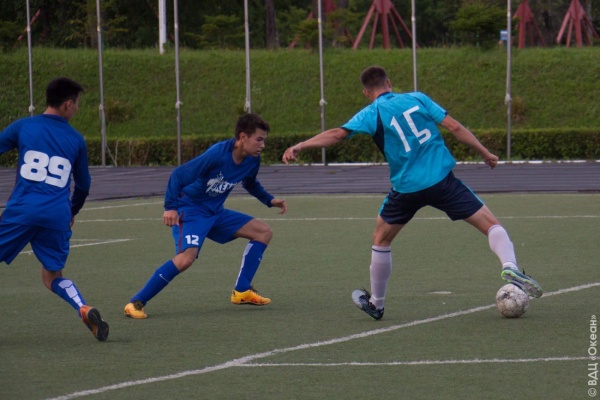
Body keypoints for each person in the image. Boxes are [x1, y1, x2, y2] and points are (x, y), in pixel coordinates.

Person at [282, 66, 542, 320]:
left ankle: (376, 304)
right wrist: (484, 152)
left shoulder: (371, 112)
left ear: (366, 93)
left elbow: (337, 135)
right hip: (442, 182)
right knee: (491, 225)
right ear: (389, 83)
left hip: (406, 189)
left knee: (381, 240)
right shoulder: (418, 98)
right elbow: (455, 128)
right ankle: (510, 266)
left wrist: (301, 145)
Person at [124, 113, 287, 319]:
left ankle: (242, 290)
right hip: (191, 209)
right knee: (186, 258)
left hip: (215, 211)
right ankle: (136, 303)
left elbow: (250, 182)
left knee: (263, 232)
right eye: (259, 139)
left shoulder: (252, 159)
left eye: (264, 140)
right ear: (243, 137)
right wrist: (170, 207)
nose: (262, 145)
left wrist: (269, 200)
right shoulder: (217, 154)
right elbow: (179, 175)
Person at [0, 77, 109, 340]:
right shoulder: (76, 139)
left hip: (23, 209)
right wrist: (71, 211)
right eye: (78, 104)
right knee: (52, 276)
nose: (77, 109)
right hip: (57, 214)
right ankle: (83, 307)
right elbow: (84, 186)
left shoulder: (24, 126)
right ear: (68, 104)